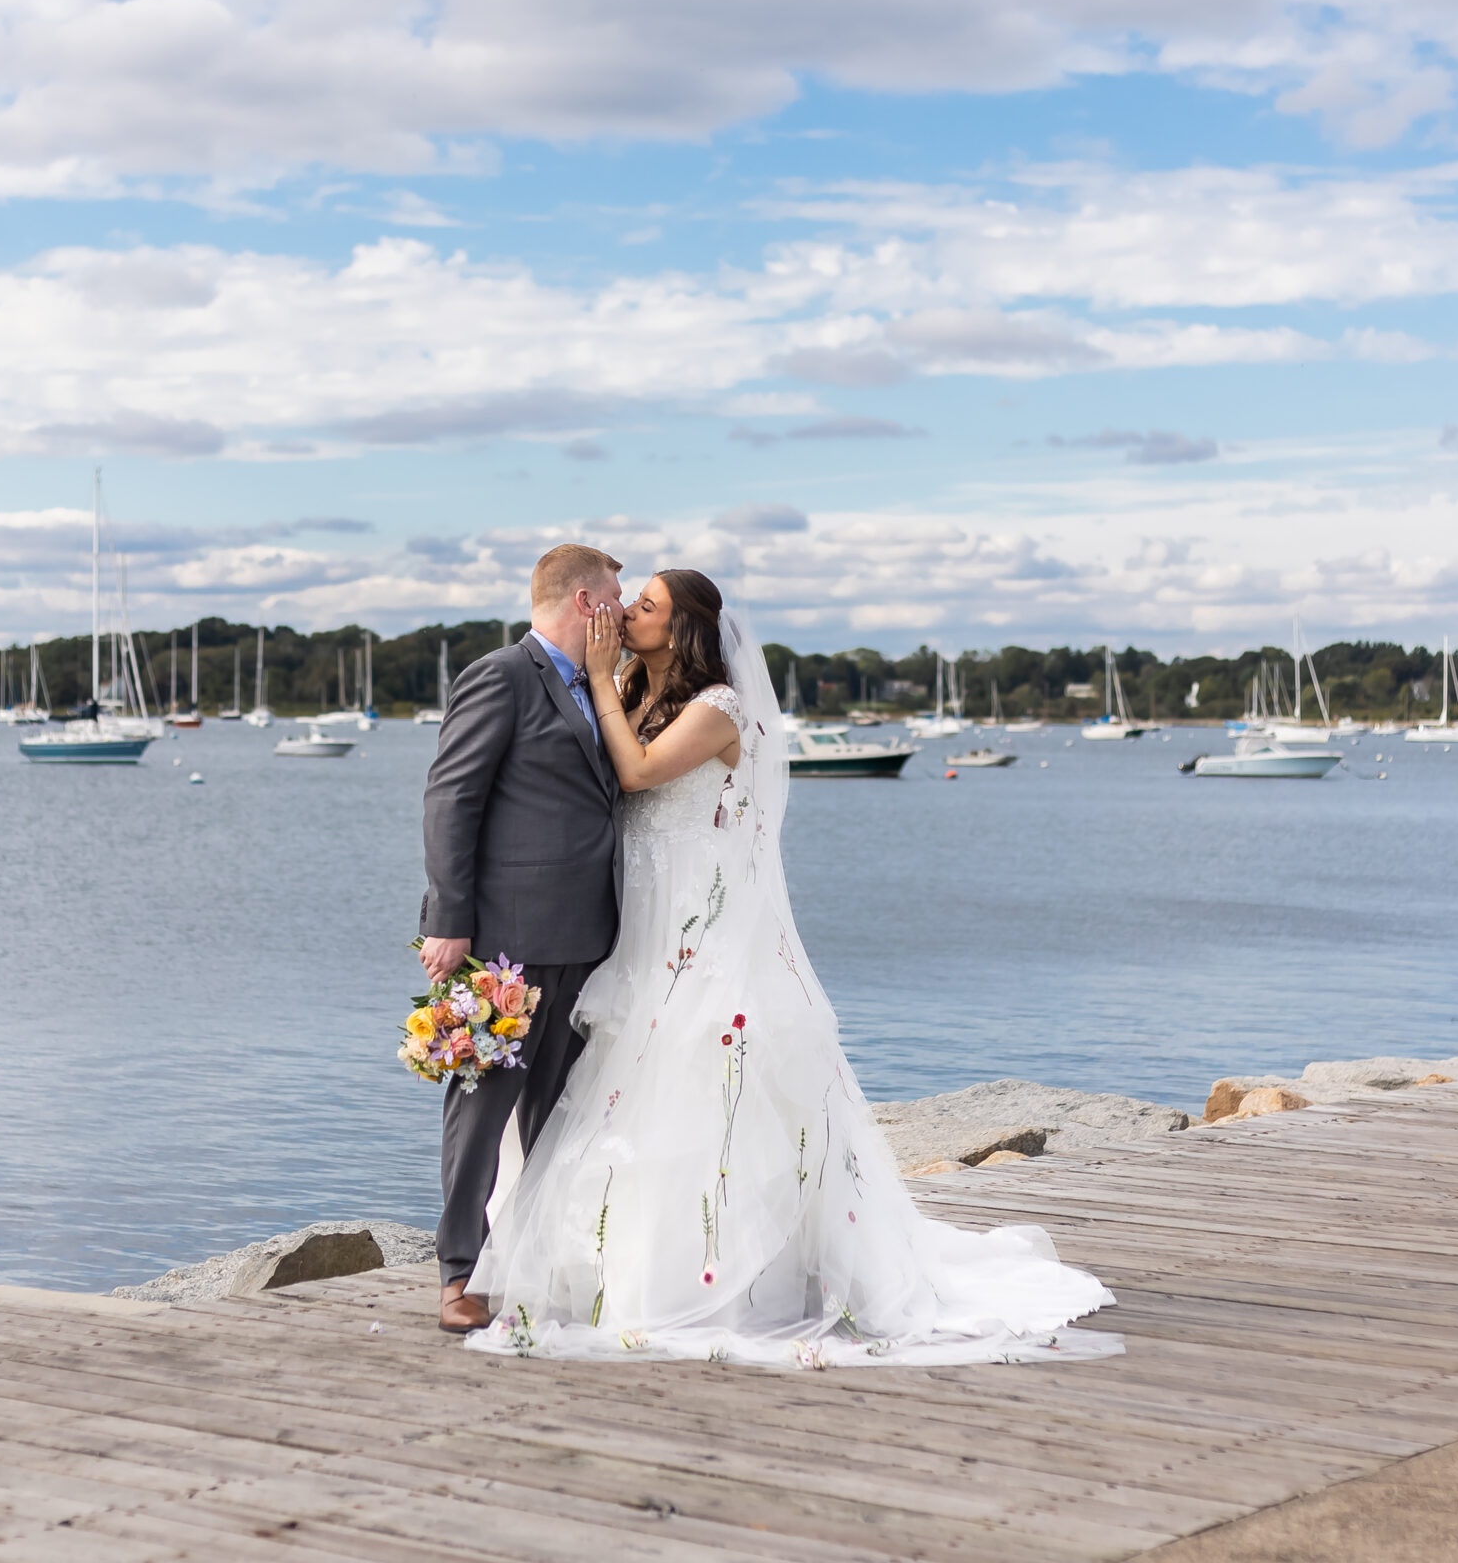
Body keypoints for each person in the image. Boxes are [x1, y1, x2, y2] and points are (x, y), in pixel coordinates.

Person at [464, 568, 1117, 1366]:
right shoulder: (632, 693)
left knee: (702, 1077)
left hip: (696, 926)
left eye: (645, 606)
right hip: (636, 923)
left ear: (684, 629)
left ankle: (724, 1275)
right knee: (623, 1086)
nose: (627, 613)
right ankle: (616, 1264)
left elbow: (634, 772)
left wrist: (598, 675)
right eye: (629, 601)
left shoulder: (718, 708)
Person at [418, 543, 625, 1333]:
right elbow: (450, 798)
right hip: (504, 939)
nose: (621, 605)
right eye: (614, 594)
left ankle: (534, 1262)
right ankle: (458, 1273)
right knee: (481, 1105)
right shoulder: (503, 674)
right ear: (583, 602)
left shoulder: (596, 686)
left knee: (559, 1111)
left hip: (589, 934)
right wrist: (448, 919)